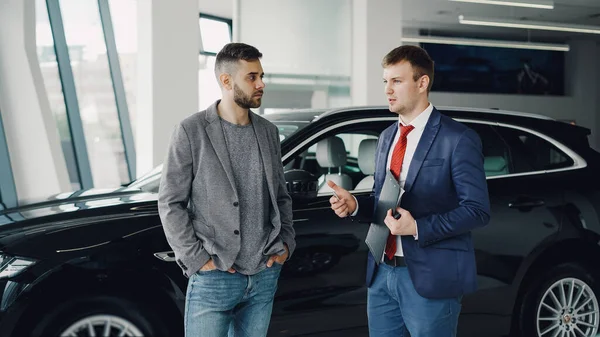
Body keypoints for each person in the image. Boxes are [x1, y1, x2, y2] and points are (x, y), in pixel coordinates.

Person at [328, 45, 490, 337]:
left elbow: (477, 211)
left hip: (431, 278)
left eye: (397, 81)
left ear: (422, 82)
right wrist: (356, 206)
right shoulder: (387, 137)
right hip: (382, 273)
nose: (388, 90)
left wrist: (417, 226)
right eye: (385, 82)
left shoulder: (458, 139)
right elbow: (383, 199)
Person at [158, 42, 295, 337]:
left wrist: (285, 243)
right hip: (214, 276)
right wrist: (197, 260)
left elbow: (281, 196)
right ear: (226, 80)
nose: (261, 84)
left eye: (261, 76)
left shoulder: (268, 132)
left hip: (264, 273)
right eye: (252, 77)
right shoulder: (191, 130)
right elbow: (171, 202)